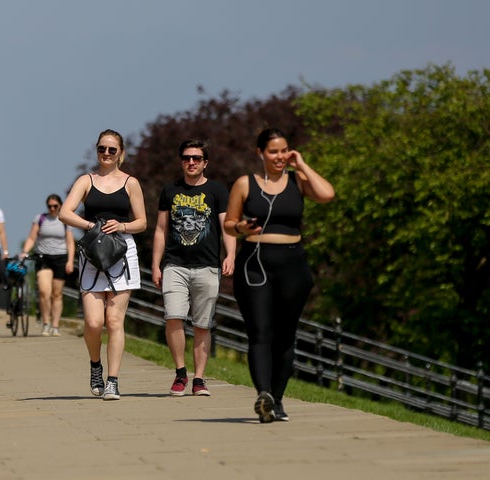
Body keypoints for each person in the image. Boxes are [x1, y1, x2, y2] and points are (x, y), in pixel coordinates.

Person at [224, 128, 334, 423]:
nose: (280, 157)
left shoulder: (298, 181)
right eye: (273, 151)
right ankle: (264, 395)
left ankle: (279, 399)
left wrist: (303, 165)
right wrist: (241, 229)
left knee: (285, 336)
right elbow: (229, 224)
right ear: (260, 153)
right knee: (260, 333)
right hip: (255, 266)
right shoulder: (245, 184)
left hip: (293, 266)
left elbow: (328, 194)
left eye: (285, 150)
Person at [59, 129, 147, 400]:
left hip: (122, 252)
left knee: (114, 320)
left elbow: (142, 222)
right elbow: (64, 212)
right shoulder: (86, 180)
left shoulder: (130, 183)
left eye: (112, 149)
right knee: (94, 322)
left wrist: (121, 225)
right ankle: (95, 364)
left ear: (121, 152)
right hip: (93, 254)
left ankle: (113, 380)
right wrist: (90, 226)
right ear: (96, 150)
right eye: (102, 149)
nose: (106, 154)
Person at [151, 140, 236, 397]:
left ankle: (199, 379)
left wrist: (231, 254)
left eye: (196, 158)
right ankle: (180, 373)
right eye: (187, 158)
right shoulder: (170, 191)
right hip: (175, 265)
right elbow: (160, 230)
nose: (191, 162)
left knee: (202, 324)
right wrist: (156, 265)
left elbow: (227, 226)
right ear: (181, 161)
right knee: (173, 316)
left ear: (205, 162)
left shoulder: (217, 191)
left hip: (208, 266)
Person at [19, 194, 75, 336]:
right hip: (43, 257)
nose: (52, 209)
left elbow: (70, 242)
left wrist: (70, 260)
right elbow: (32, 237)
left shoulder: (65, 220)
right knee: (44, 291)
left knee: (57, 294)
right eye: (49, 206)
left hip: (60, 258)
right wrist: (24, 251)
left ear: (60, 206)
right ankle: (46, 323)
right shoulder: (40, 219)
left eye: (55, 206)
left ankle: (55, 326)